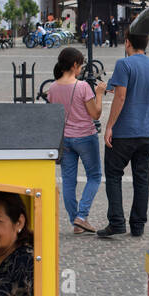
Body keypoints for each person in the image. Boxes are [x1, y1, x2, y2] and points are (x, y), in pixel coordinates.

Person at [98, 31, 149, 238]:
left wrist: (109, 126)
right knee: (141, 179)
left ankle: (116, 222)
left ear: (127, 43)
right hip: (148, 132)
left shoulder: (123, 64)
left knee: (114, 175)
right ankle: (138, 225)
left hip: (125, 132)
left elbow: (122, 96)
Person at [47, 47, 106, 234]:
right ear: (74, 65)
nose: (81, 69)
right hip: (85, 137)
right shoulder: (82, 87)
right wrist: (100, 93)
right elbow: (95, 113)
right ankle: (82, 216)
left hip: (65, 139)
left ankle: (76, 222)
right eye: (80, 65)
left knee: (68, 181)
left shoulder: (53, 88)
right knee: (95, 176)